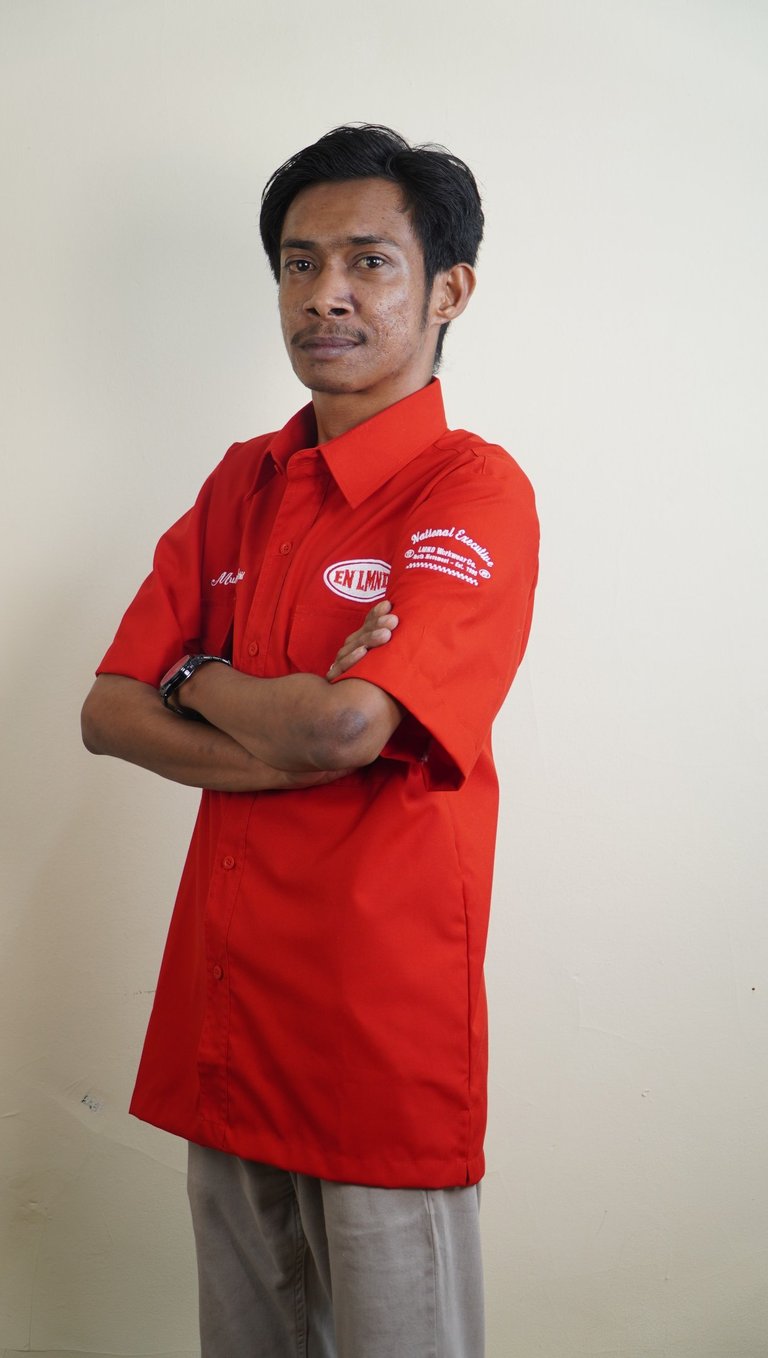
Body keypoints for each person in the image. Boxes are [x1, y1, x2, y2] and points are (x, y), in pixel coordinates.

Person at [81, 123, 539, 1358]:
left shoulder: (470, 489)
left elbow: (351, 723)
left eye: (368, 261)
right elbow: (109, 710)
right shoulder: (240, 481)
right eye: (298, 262)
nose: (324, 293)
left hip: (373, 1038)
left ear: (449, 290)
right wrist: (235, 688)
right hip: (225, 1018)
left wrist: (197, 677)